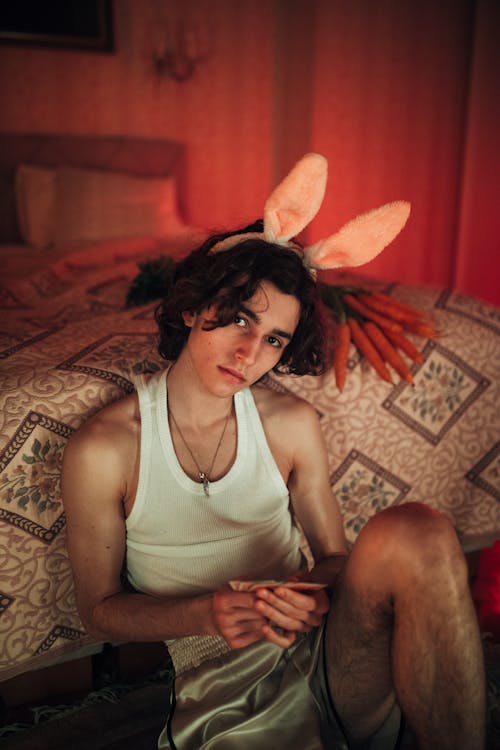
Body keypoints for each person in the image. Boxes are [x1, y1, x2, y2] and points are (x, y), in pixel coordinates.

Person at [62, 157, 486, 749]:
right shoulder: (105, 447)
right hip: (228, 703)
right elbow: (99, 609)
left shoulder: (289, 423)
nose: (248, 352)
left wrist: (310, 596)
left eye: (273, 340)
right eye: (237, 318)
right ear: (190, 308)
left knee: (420, 529)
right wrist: (209, 613)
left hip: (337, 668)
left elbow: (335, 559)